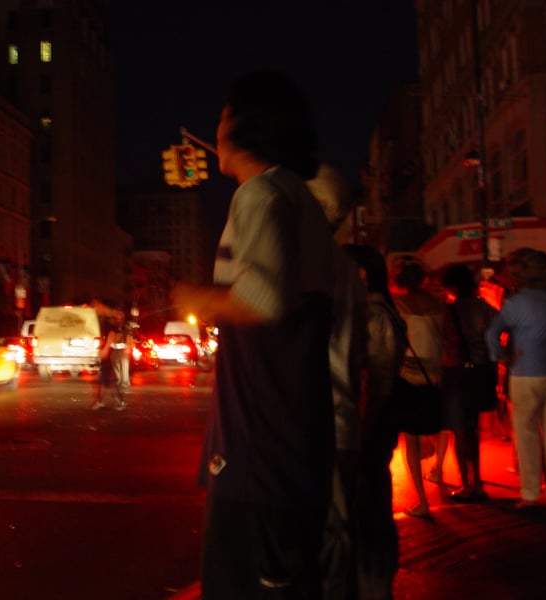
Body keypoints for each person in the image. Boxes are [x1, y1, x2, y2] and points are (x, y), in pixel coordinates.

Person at [171, 70, 336, 598]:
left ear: (249, 125)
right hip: (289, 437)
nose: (215, 127)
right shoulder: (294, 196)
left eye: (223, 115)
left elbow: (263, 298)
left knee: (246, 582)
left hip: (259, 444)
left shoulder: (261, 194)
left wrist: (196, 297)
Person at [307, 165, 367, 600]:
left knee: (324, 542)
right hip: (342, 420)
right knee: (337, 538)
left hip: (315, 424)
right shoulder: (346, 268)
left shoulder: (309, 263)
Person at [341, 244, 408, 600]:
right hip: (371, 429)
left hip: (370, 429)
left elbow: (377, 383)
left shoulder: (374, 314)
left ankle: (374, 584)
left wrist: (362, 435)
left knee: (369, 512)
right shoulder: (377, 311)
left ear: (361, 274)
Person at [486, 247, 546, 509]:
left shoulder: (516, 304)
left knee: (526, 433)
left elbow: (493, 334)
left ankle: (530, 493)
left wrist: (502, 357)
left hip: (525, 372)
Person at [440, 264, 497, 503]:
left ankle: (466, 485)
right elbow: (498, 334)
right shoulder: (485, 308)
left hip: (456, 372)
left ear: (451, 286)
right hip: (481, 369)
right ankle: (478, 482)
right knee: (472, 429)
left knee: (459, 430)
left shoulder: (449, 311)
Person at [393, 261, 446, 519]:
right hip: (436, 375)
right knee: (437, 426)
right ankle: (441, 468)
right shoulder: (439, 304)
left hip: (408, 377)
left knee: (410, 440)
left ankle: (422, 500)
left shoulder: (399, 306)